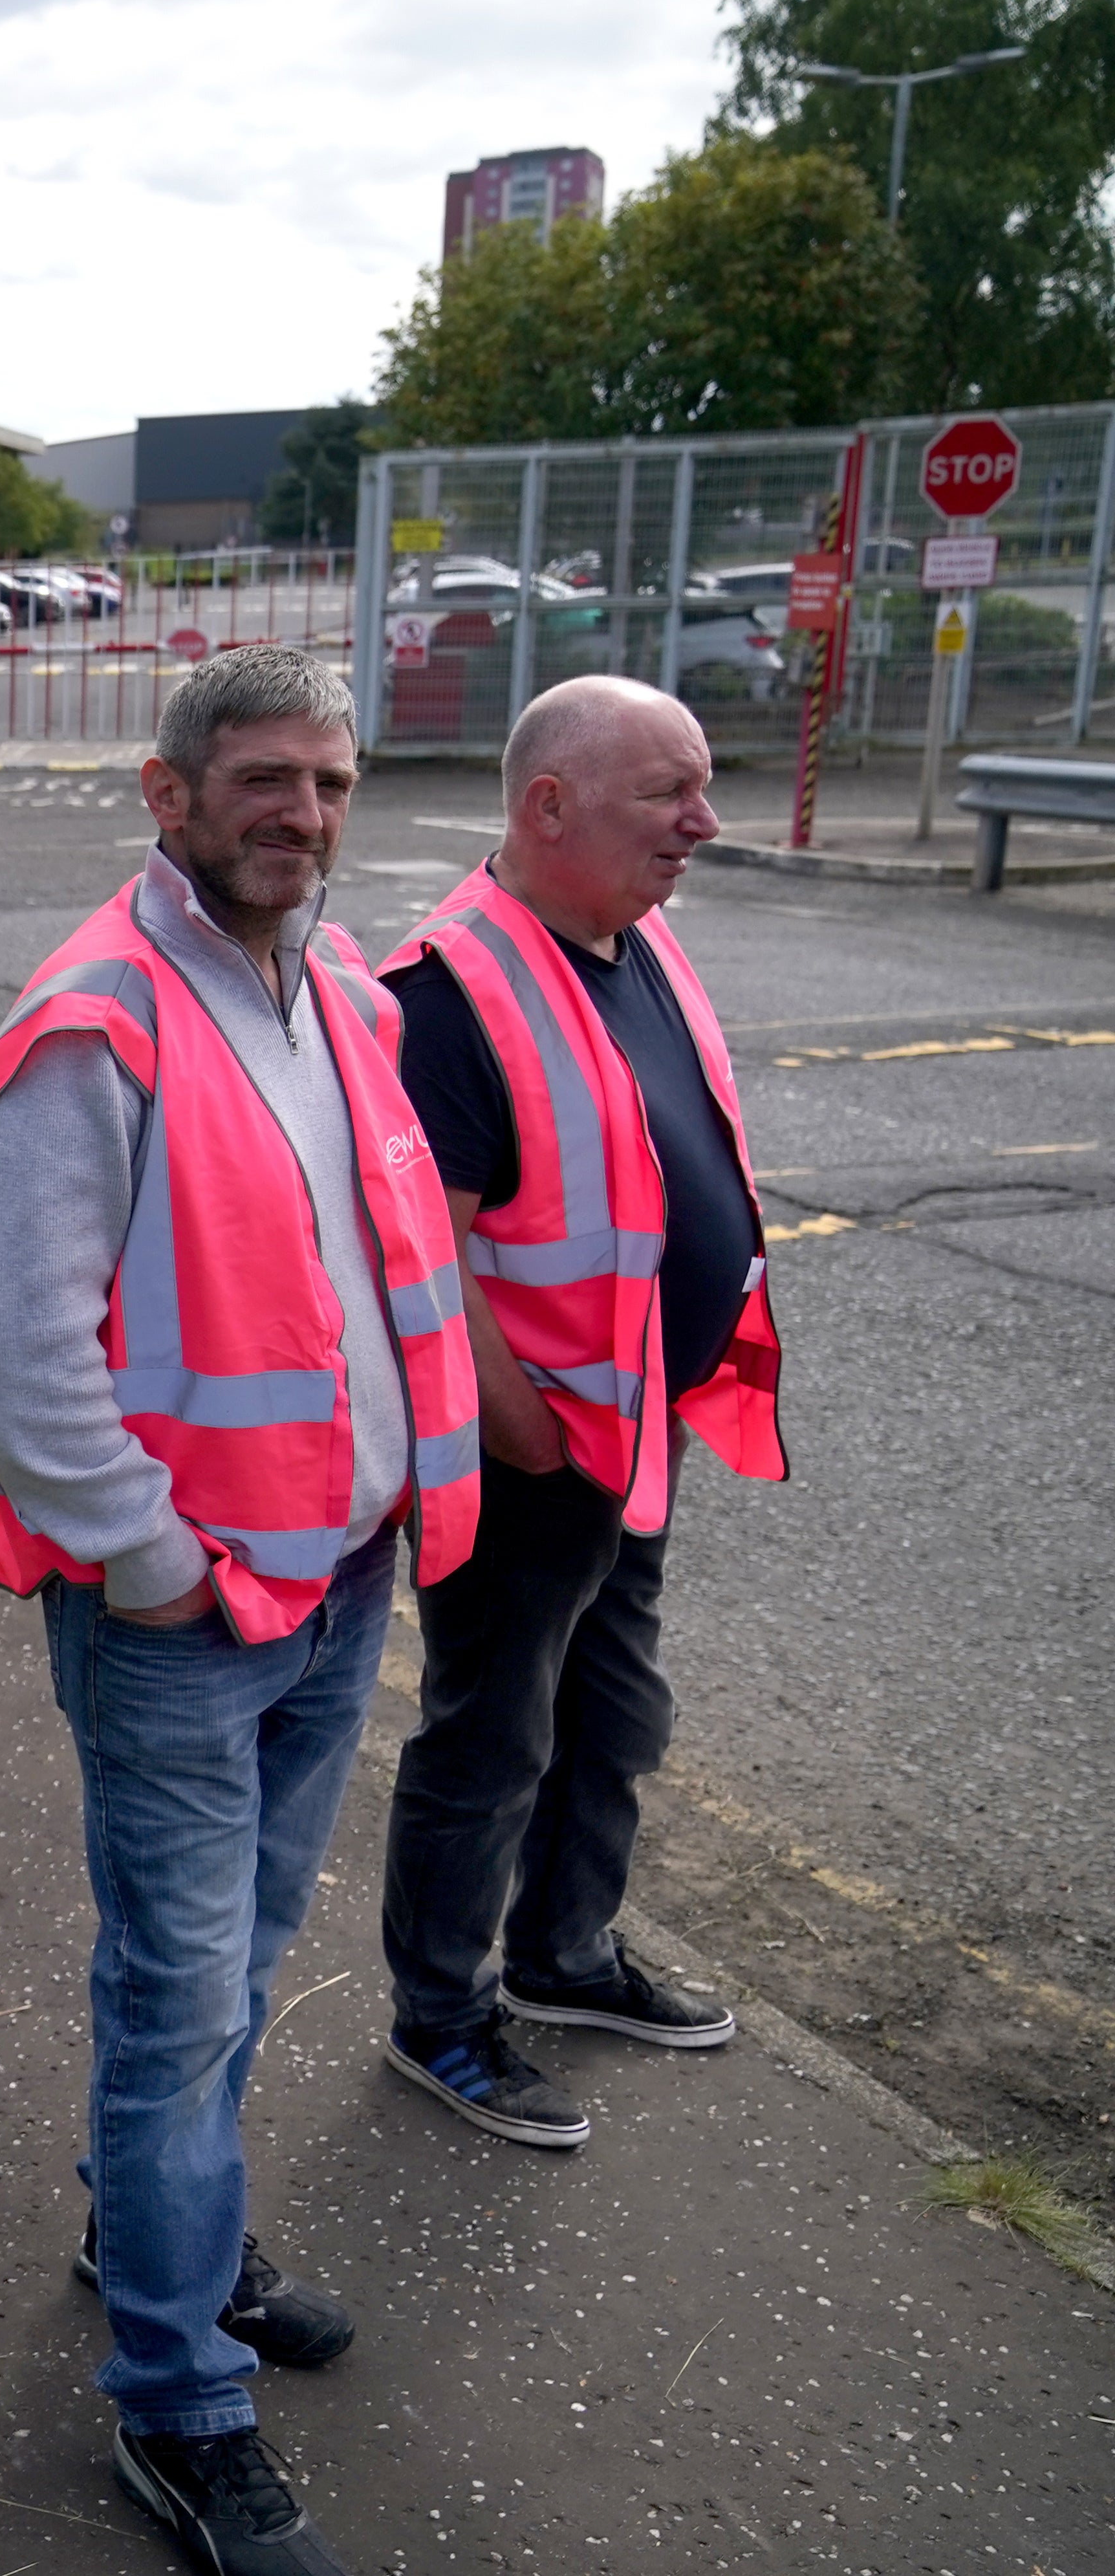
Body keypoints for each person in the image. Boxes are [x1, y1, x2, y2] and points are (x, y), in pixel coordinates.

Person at [0, 644, 481, 2576]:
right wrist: (164, 1567)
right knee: (179, 2005)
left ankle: (147, 2234)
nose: (307, 815)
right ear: (168, 798)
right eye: (265, 781)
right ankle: (180, 2410)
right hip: (190, 1615)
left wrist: (398, 1508)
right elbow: (24, 1369)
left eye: (332, 783)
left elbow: (364, 1271)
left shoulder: (333, 983)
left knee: (243, 1965)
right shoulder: (96, 1022)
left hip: (335, 1586)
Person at [375, 675, 783, 2146]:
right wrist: (524, 1429)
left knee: (614, 1712)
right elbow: (418, 1249)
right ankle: (441, 2015)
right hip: (535, 1450)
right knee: (492, 1736)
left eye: (703, 783)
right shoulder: (448, 991)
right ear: (547, 806)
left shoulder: (638, 937)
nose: (703, 821)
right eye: (666, 792)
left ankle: (566, 1957)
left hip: (630, 1433)